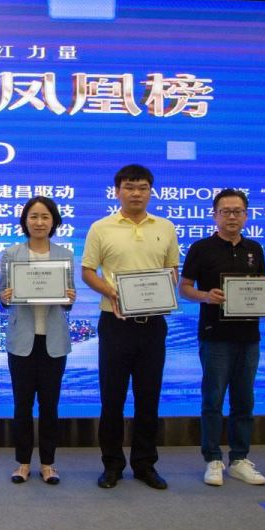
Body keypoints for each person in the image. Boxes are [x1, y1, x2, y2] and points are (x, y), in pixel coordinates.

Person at [81, 164, 180, 490]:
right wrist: (112, 292)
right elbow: (88, 271)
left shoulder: (165, 227)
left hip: (153, 324)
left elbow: (172, 270)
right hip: (115, 323)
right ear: (117, 191)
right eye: (129, 187)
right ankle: (111, 464)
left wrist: (162, 291)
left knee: (148, 397)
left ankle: (144, 464)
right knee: (112, 398)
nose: (136, 193)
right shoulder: (101, 228)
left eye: (142, 188)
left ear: (151, 191)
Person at [179, 189, 265, 487]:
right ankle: (213, 459)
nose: (232, 217)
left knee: (244, 399)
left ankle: (240, 459)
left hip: (249, 336)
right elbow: (184, 288)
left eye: (237, 211)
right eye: (225, 211)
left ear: (246, 215)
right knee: (213, 399)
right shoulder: (201, 248)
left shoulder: (254, 249)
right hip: (214, 335)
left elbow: (261, 287)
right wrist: (206, 296)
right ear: (215, 215)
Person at [0, 196, 76, 485]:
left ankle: (48, 464)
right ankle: (22, 463)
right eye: (33, 216)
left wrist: (69, 298)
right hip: (22, 341)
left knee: (50, 406)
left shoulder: (65, 254)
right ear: (25, 221)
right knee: (22, 405)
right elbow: (2, 296)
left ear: (54, 221)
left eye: (45, 217)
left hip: (53, 341)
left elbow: (68, 299)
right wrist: (5, 297)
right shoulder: (11, 254)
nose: (39, 222)